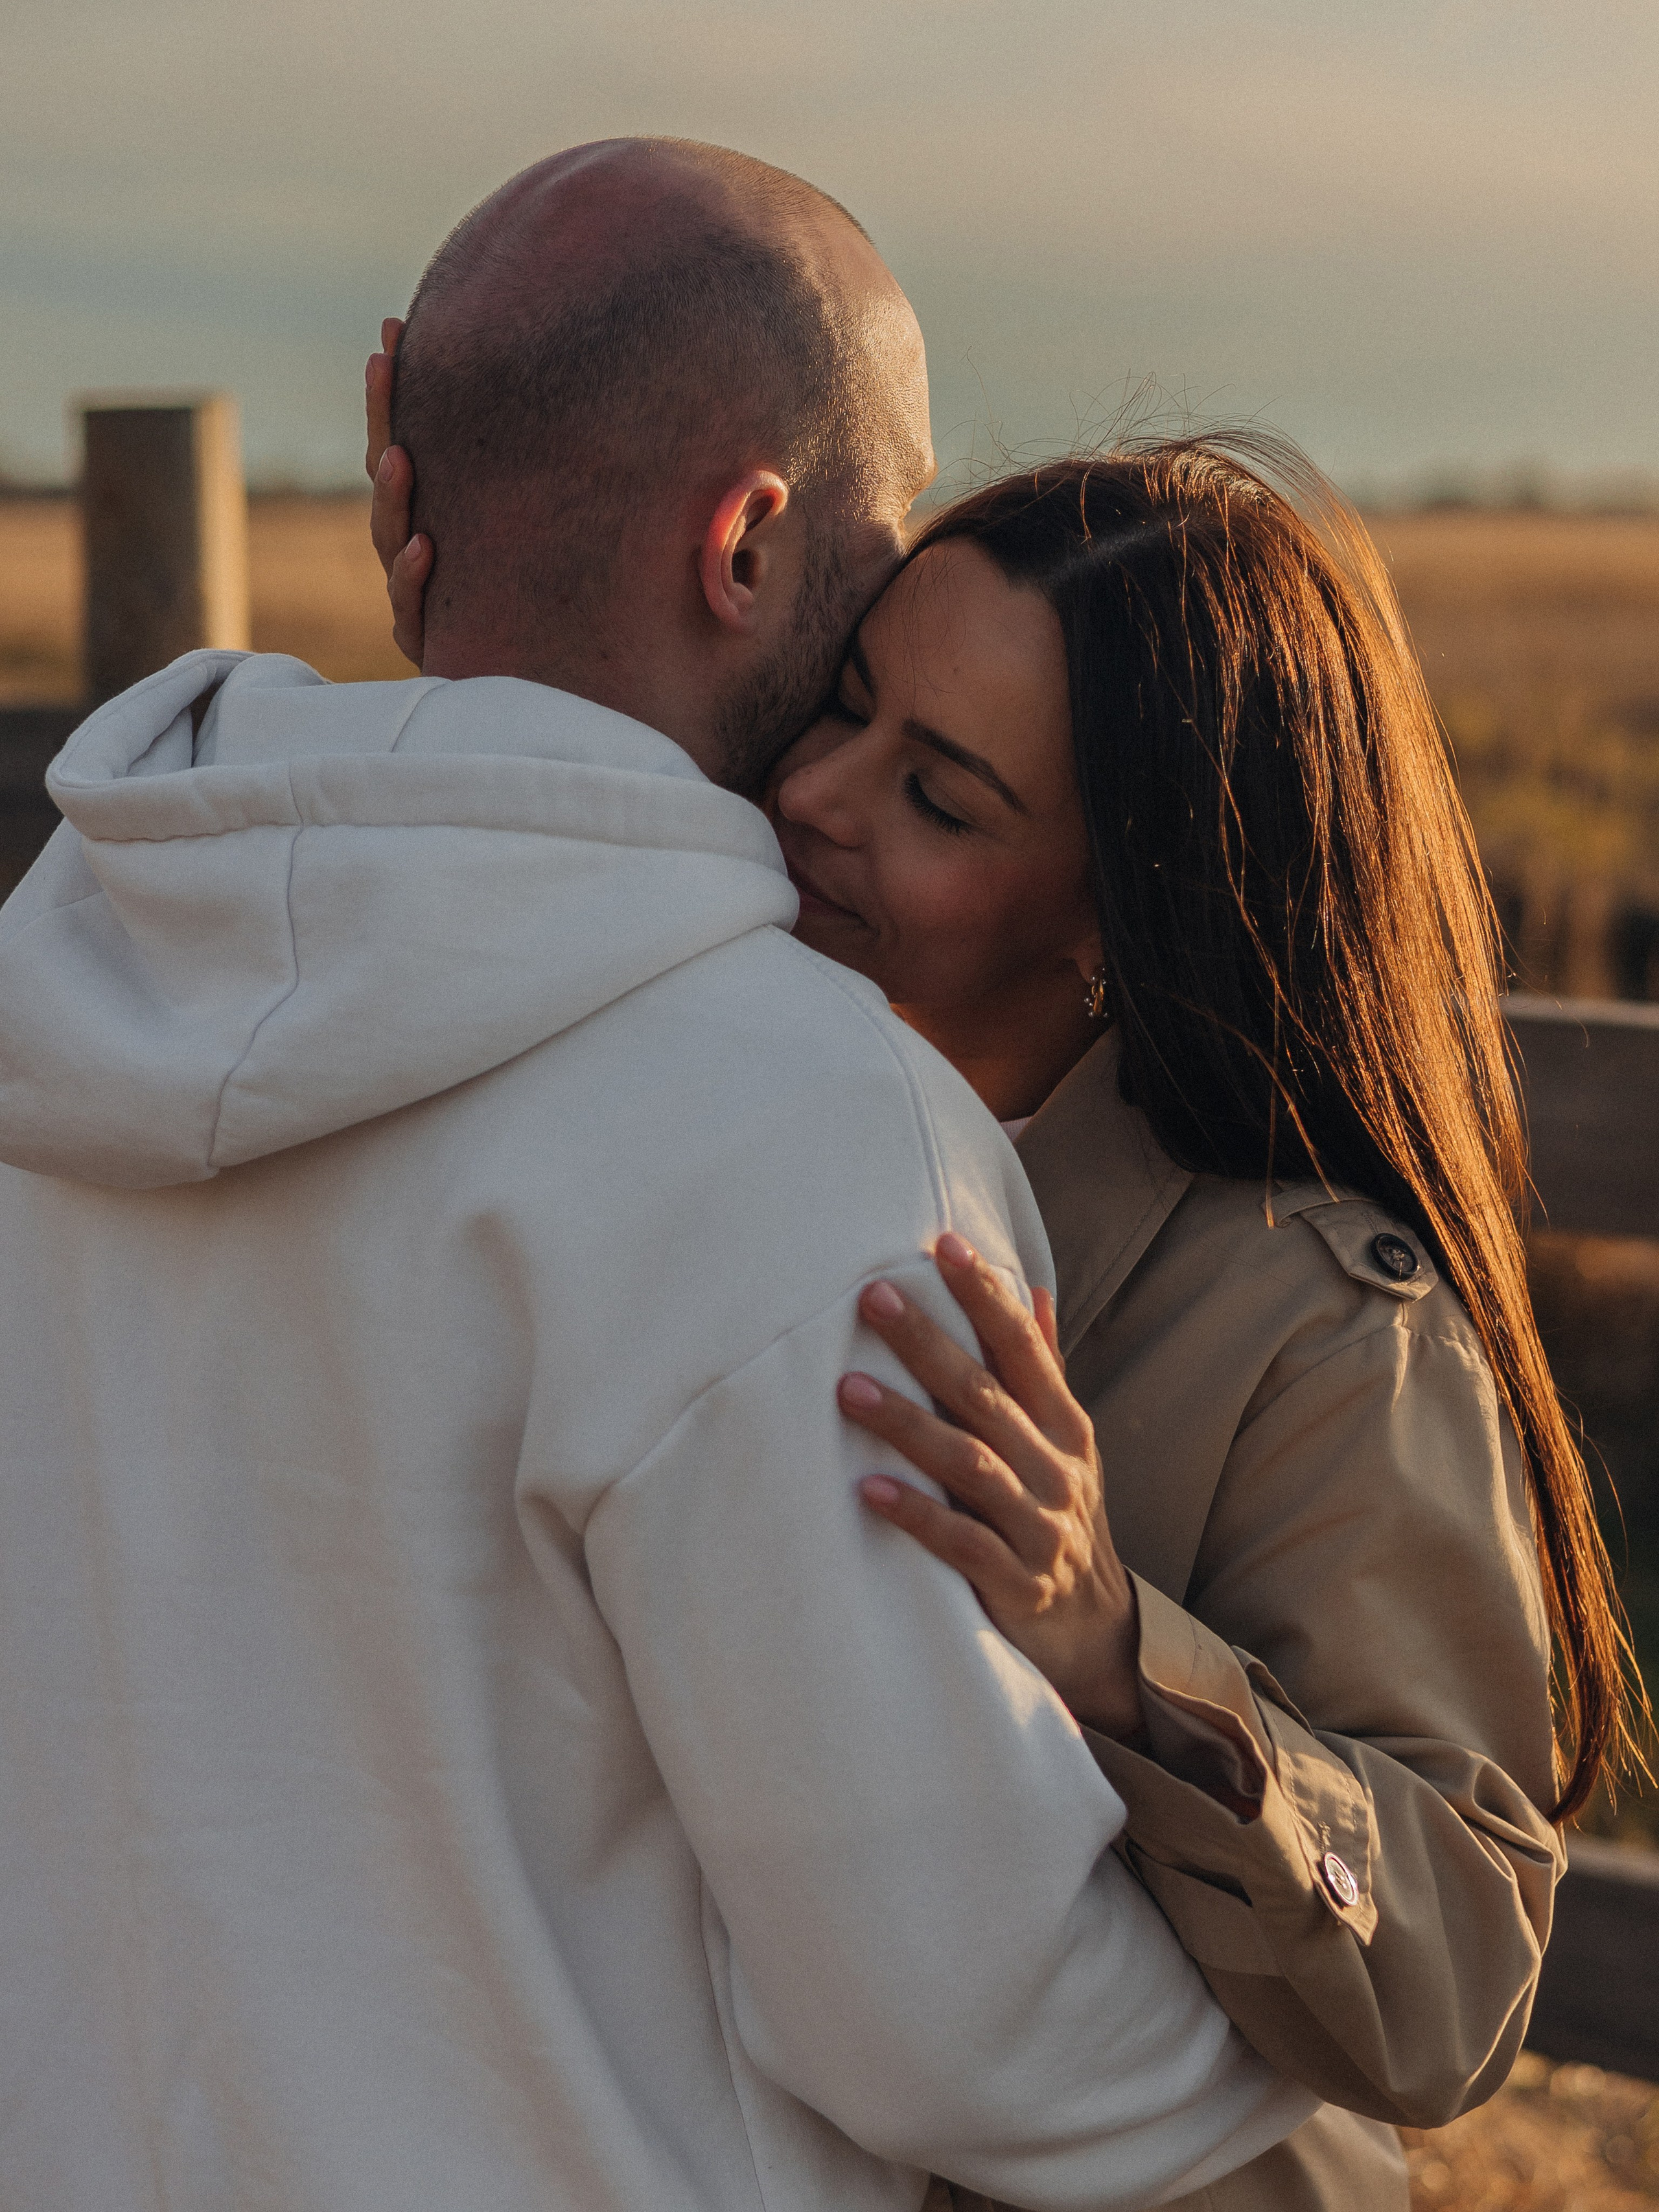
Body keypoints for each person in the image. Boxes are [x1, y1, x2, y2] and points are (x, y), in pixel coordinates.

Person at [0, 145, 1314, 2211]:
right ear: (753, 538)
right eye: (883, 543)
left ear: (399, 494)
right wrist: (1316, 2074)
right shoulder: (798, 1124)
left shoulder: (60, 1003)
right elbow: (959, 2018)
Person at [774, 447, 1643, 2211]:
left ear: (1116, 911)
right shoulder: (757, 1135)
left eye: (942, 799)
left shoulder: (1317, 1326)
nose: (819, 797)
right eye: (842, 708)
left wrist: (1118, 1653)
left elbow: (1463, 1983)